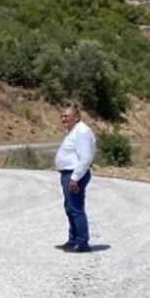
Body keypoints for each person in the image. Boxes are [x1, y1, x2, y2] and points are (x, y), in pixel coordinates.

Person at [54, 101, 95, 253]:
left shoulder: (82, 132)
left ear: (77, 117)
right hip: (68, 174)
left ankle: (82, 243)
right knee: (70, 208)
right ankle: (73, 240)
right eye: (62, 116)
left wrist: (75, 178)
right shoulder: (73, 131)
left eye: (67, 116)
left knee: (76, 209)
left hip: (74, 175)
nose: (63, 119)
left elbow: (85, 158)